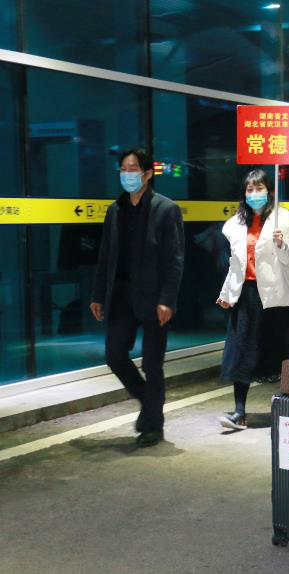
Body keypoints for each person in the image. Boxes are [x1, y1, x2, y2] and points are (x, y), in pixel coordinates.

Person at [90, 149, 185, 448]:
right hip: (120, 296)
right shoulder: (114, 210)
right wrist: (98, 295)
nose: (127, 174)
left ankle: (153, 427)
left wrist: (167, 299)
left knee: (153, 364)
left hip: (154, 298)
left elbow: (174, 260)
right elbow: (105, 256)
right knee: (114, 355)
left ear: (147, 174)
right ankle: (150, 403)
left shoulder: (166, 209)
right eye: (123, 169)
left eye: (132, 169)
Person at [216, 170, 289, 430]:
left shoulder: (284, 220)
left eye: (259, 188)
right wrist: (226, 294)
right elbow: (235, 265)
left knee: (287, 352)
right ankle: (239, 412)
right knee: (241, 352)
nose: (254, 194)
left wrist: (282, 245)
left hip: (277, 295)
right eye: (250, 189)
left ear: (269, 191)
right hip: (247, 295)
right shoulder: (235, 224)